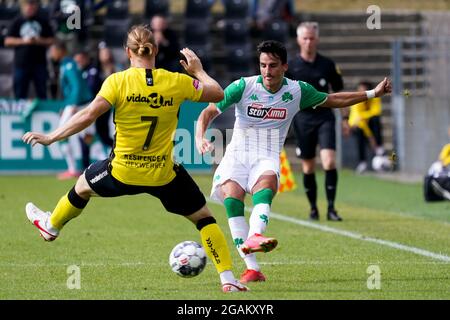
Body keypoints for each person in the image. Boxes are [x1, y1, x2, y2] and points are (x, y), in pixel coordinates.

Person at [22, 25, 248, 293]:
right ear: (155, 50)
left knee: (82, 186)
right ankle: (228, 279)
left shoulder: (117, 81)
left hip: (122, 171)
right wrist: (197, 69)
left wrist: (51, 137)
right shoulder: (176, 81)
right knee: (204, 218)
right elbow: (218, 93)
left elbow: (88, 115)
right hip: (163, 174)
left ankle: (51, 226)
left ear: (128, 52)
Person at [195, 40, 392, 283]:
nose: (267, 71)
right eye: (263, 65)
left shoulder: (298, 91)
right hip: (237, 155)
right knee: (233, 203)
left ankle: (256, 236)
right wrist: (199, 137)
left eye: (273, 66)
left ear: (285, 66)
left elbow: (335, 100)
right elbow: (208, 112)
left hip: (266, 155)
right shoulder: (243, 86)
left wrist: (373, 93)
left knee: (265, 190)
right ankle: (252, 269)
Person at [285, 22, 348, 222]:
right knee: (308, 167)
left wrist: (345, 118)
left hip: (325, 117)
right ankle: (313, 208)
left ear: (317, 39)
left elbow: (340, 93)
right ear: (298, 40)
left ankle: (331, 208)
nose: (309, 42)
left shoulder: (328, 65)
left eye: (312, 38)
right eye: (305, 38)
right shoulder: (292, 66)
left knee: (329, 161)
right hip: (303, 119)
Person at [49, 41, 93, 180]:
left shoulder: (68, 65)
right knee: (87, 137)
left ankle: (73, 169)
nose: (51, 54)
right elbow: (70, 89)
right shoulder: (65, 64)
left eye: (53, 50)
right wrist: (65, 105)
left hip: (78, 103)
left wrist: (72, 104)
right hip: (80, 103)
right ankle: (79, 168)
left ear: (60, 51)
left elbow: (76, 85)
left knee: (62, 133)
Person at [5, 0, 54, 99]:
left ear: (36, 7)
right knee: (19, 93)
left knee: (42, 92)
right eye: (28, 6)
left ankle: (44, 113)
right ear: (23, 7)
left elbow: (52, 40)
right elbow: (7, 41)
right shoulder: (17, 21)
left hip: (39, 63)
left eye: (33, 5)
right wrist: (24, 41)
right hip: (21, 64)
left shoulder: (43, 21)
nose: (30, 8)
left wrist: (38, 41)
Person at [348, 80, 385, 173]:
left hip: (369, 123)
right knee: (359, 132)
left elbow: (376, 112)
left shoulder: (375, 98)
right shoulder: (356, 99)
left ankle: (379, 148)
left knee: (375, 119)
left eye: (363, 90)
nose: (361, 92)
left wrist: (364, 116)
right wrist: (369, 136)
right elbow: (357, 120)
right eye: (359, 90)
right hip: (358, 126)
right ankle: (362, 162)